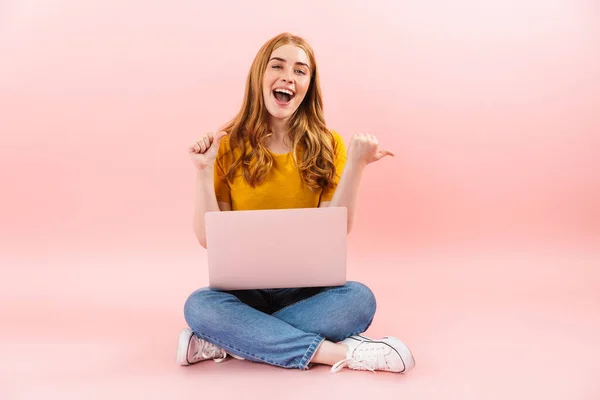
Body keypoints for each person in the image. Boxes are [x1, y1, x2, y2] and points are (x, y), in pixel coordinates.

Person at [177, 32, 415, 374]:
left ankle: (230, 339)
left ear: (309, 84)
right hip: (246, 292)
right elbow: (207, 239)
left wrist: (357, 166)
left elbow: (337, 229)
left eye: (300, 70)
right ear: (260, 76)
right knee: (200, 306)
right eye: (278, 65)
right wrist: (203, 172)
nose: (289, 76)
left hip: (306, 292)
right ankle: (337, 354)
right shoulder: (228, 144)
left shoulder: (328, 143)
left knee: (359, 299)